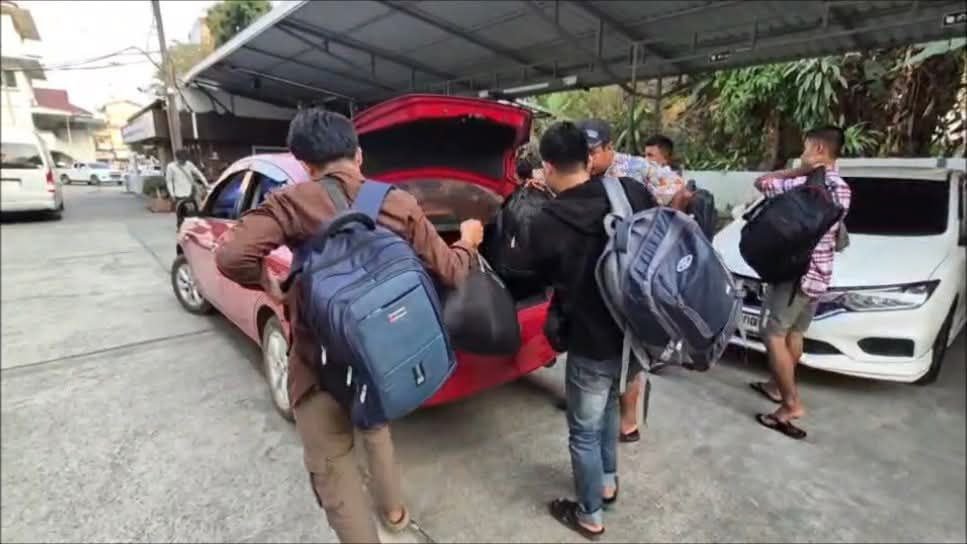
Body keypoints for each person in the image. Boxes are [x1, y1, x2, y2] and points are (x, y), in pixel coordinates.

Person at [215, 109, 483, 543]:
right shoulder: (399, 202)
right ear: (359, 155)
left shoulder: (291, 202)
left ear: (305, 164)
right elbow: (452, 271)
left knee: (333, 466)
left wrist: (268, 283)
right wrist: (468, 242)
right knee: (375, 427)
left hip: (317, 362)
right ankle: (394, 512)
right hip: (380, 353)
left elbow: (231, 255)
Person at [528, 121, 658, 539]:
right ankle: (606, 482)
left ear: (548, 167)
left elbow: (540, 276)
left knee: (584, 430)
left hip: (590, 341)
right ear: (589, 158)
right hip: (638, 336)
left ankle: (589, 515)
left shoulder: (549, 220)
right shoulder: (631, 192)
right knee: (608, 407)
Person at [749, 126, 852, 440]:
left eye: (806, 148)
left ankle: (790, 404)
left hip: (795, 275)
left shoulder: (801, 183)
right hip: (820, 275)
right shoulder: (843, 188)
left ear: (819, 149)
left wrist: (799, 169)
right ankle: (775, 386)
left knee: (773, 335)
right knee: (794, 333)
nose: (802, 153)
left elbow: (762, 182)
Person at [165, 149, 209, 225]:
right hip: (179, 194)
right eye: (182, 159)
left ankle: (192, 226)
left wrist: (206, 184)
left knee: (193, 212)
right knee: (180, 213)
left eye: (185, 159)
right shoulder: (170, 166)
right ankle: (180, 226)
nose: (183, 161)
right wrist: (172, 194)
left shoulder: (189, 164)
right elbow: (169, 181)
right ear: (177, 158)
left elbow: (198, 173)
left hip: (190, 193)